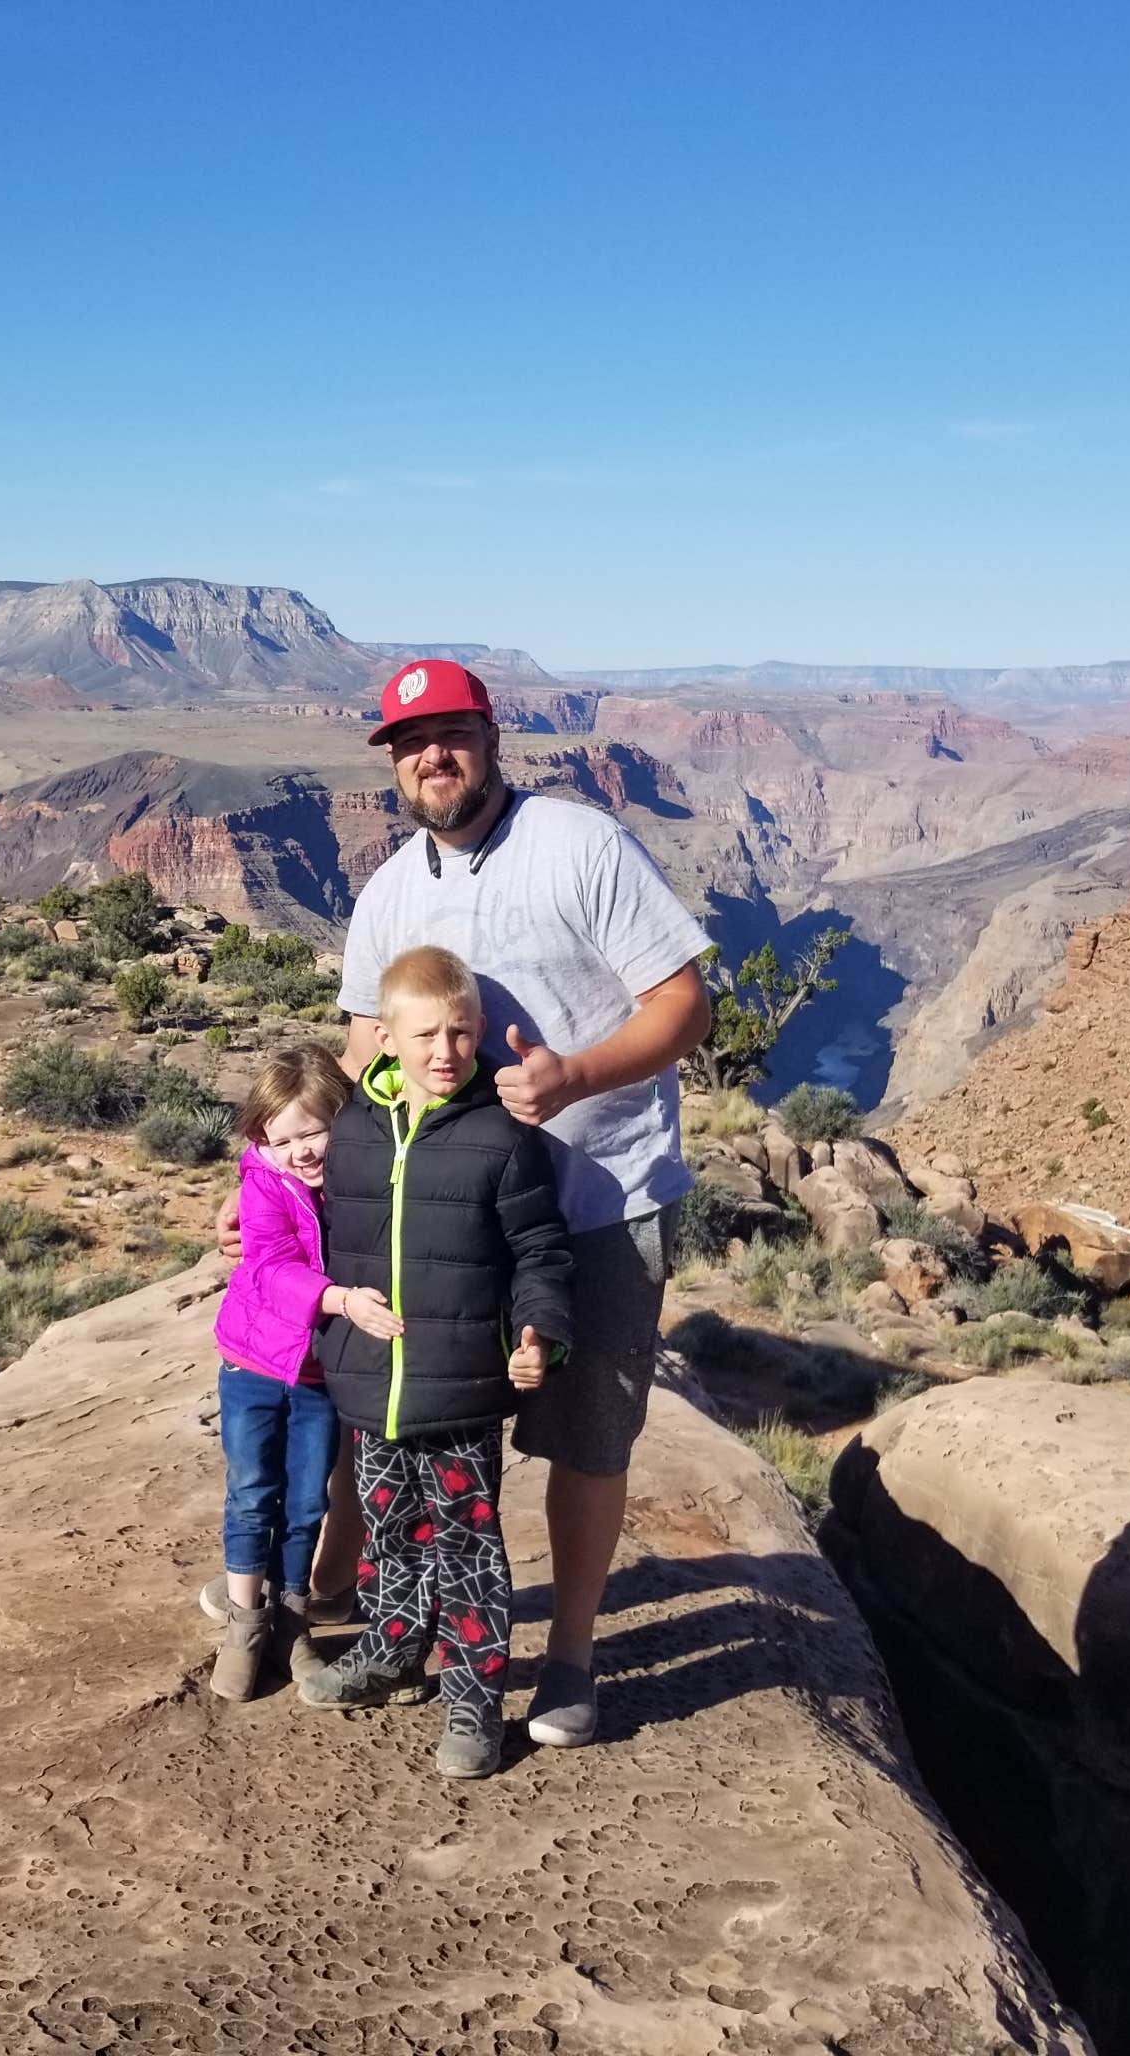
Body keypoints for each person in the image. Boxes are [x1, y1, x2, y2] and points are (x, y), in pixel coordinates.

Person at [223, 655, 714, 1750]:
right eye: (409, 743)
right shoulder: (392, 891)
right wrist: (273, 1181)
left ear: (491, 739)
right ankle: (373, 1620)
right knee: (399, 1414)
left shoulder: (580, 845)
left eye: (450, 734)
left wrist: (574, 1076)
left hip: (596, 1201)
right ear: (393, 762)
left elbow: (686, 1005)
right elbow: (354, 1061)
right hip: (435, 1221)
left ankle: (572, 1661)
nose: (431, 757)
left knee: (585, 1437)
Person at [293, 945, 575, 1779]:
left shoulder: (502, 1135)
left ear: (481, 1031)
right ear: (384, 1037)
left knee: (468, 1544)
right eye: (424, 1035)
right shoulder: (350, 1131)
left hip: (461, 1385)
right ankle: (391, 1652)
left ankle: (475, 1702)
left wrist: (538, 1335)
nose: (444, 1052)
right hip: (371, 1380)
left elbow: (540, 1252)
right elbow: (317, 1226)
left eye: (460, 1032)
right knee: (386, 1527)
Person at [204, 1042, 402, 1701]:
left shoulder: (359, 1182)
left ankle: (293, 1623)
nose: (303, 1150)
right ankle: (245, 1624)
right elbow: (268, 1267)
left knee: (308, 1498)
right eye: (284, 1138)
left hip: (321, 1373)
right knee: (253, 1488)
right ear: (263, 1139)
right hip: (255, 1364)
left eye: (315, 1131)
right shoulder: (264, 1186)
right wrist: (339, 1300)